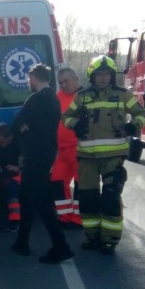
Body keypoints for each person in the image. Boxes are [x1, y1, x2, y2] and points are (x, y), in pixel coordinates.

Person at [62, 55, 145, 255]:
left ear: (112, 75)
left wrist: (133, 125)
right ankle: (92, 237)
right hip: (87, 157)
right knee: (88, 199)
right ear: (92, 75)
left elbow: (143, 113)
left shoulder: (123, 94)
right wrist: (75, 124)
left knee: (110, 199)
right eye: (99, 74)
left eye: (107, 74)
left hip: (113, 157)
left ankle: (109, 241)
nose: (103, 78)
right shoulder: (82, 96)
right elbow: (65, 116)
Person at [9, 63, 75, 264]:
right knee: (25, 197)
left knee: (40, 202)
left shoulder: (35, 99)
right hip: (46, 154)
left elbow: (15, 126)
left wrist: (23, 128)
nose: (28, 82)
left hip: (35, 157)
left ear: (34, 78)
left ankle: (60, 246)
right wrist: (25, 127)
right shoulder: (54, 100)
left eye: (29, 79)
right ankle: (22, 242)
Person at [52, 67, 83, 228]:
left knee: (80, 184)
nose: (64, 85)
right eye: (61, 82)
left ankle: (78, 219)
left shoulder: (84, 96)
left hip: (79, 147)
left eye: (66, 81)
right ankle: (64, 217)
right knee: (57, 181)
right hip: (61, 149)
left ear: (75, 79)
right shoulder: (58, 97)